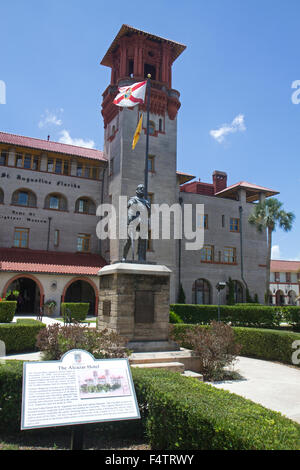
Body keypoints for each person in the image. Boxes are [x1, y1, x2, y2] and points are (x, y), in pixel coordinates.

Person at [122, 184, 150, 262]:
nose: (142, 190)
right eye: (141, 188)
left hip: (143, 222)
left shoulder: (146, 202)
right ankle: (124, 256)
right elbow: (130, 210)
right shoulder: (133, 199)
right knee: (129, 240)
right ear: (137, 190)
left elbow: (149, 213)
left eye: (143, 189)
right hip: (133, 222)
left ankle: (141, 257)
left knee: (142, 241)